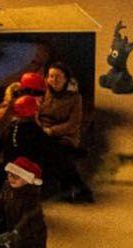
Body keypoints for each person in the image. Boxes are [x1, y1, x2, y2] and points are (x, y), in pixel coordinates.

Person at [35, 62, 91, 202]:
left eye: (58, 77)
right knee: (55, 153)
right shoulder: (42, 92)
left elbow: (73, 124)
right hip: (41, 132)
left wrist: (51, 131)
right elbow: (36, 113)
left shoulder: (74, 97)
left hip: (65, 135)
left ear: (66, 79)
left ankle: (68, 187)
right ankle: (78, 187)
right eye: (51, 76)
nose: (53, 80)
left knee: (58, 151)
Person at [0, 157, 47, 247]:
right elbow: (0, 203)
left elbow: (27, 218)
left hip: (32, 235)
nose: (11, 179)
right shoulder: (7, 187)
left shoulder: (32, 196)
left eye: (16, 176)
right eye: (9, 174)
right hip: (13, 226)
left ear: (27, 179)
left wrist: (16, 232)